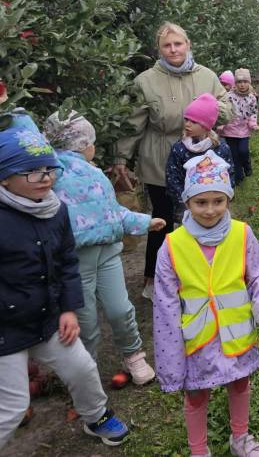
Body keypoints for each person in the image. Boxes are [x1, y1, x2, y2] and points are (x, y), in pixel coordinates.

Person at [154, 150, 259, 457]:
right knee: (196, 393)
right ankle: (198, 450)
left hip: (236, 332)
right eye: (200, 202)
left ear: (228, 199)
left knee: (240, 383)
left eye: (218, 201)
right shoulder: (172, 246)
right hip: (197, 339)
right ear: (187, 202)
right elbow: (165, 306)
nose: (210, 210)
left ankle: (240, 437)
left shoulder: (242, 234)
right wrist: (170, 359)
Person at [0, 127, 130, 448]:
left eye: (48, 169)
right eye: (32, 171)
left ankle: (96, 417)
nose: (45, 177)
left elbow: (67, 262)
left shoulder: (55, 209)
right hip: (6, 329)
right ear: (4, 179)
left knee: (82, 368)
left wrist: (68, 309)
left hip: (47, 318)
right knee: (12, 406)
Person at [114, 22, 231, 301]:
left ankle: (201, 275)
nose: (173, 49)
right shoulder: (145, 81)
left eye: (178, 43)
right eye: (167, 45)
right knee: (162, 219)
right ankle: (154, 277)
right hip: (159, 158)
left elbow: (228, 109)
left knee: (202, 216)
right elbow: (133, 123)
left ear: (188, 45)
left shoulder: (207, 76)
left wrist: (209, 112)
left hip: (201, 160)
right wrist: (121, 157)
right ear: (159, 49)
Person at [44, 111, 162, 384]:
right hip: (75, 260)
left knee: (119, 308)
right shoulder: (52, 174)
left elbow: (111, 212)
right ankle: (86, 369)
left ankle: (132, 354)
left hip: (108, 253)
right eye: (91, 142)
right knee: (85, 319)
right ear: (83, 144)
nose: (93, 147)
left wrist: (144, 222)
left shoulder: (95, 174)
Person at [165, 93, 235, 220]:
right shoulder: (179, 148)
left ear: (206, 125)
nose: (187, 124)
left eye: (194, 121)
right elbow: (172, 177)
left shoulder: (220, 148)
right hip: (187, 205)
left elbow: (229, 174)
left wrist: (225, 196)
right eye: (186, 119)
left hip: (214, 204)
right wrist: (184, 200)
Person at [219, 69, 259, 185]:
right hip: (229, 131)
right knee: (234, 155)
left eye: (245, 82)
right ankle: (238, 176)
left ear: (249, 83)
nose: (242, 85)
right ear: (235, 83)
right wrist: (221, 124)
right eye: (239, 82)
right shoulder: (228, 96)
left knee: (243, 151)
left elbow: (253, 113)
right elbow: (224, 111)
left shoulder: (252, 98)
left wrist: (253, 124)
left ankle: (246, 165)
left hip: (243, 131)